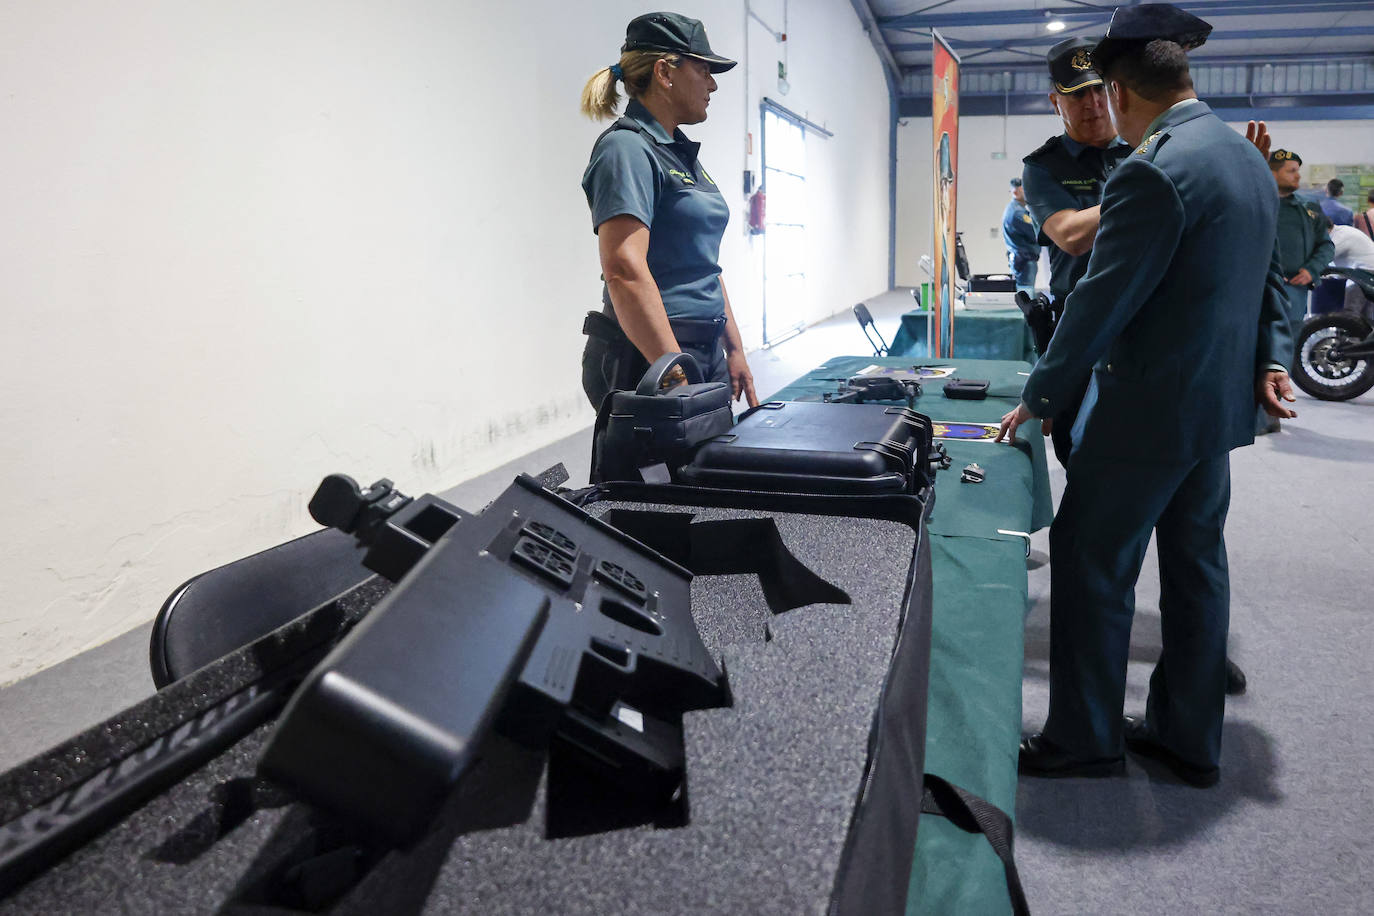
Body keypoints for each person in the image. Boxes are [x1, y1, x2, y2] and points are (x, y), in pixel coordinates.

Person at [998, 4, 1297, 787]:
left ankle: (1086, 736)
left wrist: (1043, 394)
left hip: (1147, 408)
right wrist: (1266, 361)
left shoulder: (1152, 168)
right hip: (1214, 409)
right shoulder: (1241, 157)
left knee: (1092, 556)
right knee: (1197, 560)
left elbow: (1101, 298)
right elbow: (1260, 283)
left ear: (1123, 93)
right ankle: (1189, 735)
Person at [579, 12, 757, 410]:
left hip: (696, 348)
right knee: (657, 473)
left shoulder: (678, 152)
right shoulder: (626, 149)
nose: (712, 84)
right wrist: (672, 370)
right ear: (665, 72)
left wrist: (734, 349)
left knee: (707, 470)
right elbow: (624, 268)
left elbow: (703, 263)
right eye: (704, 69)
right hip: (650, 354)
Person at [1021, 36, 1132, 468]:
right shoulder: (1045, 166)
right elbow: (1069, 234)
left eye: (1100, 89)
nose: (1092, 103)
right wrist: (1142, 194)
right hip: (1079, 325)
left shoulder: (1148, 149)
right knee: (1080, 455)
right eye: (1077, 94)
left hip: (1144, 322)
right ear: (1056, 102)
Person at [1270, 149, 1335, 357]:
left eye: (1298, 170)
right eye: (1291, 171)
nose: (1298, 176)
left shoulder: (1309, 208)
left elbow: (1326, 245)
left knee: (1286, 350)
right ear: (1273, 173)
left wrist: (1311, 270)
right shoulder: (1256, 203)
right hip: (1260, 289)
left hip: (1294, 291)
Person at [1002, 178, 1040, 296]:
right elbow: (1036, 234)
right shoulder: (1017, 213)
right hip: (1024, 261)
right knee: (1026, 296)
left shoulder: (1016, 209)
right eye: (1026, 189)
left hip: (1021, 259)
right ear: (1016, 192)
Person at [1329, 224, 1374, 320]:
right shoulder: (1342, 232)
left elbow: (1325, 257)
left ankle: (1348, 334)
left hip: (1364, 274)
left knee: (1350, 315)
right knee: (1367, 316)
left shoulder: (1339, 237)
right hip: (1366, 272)